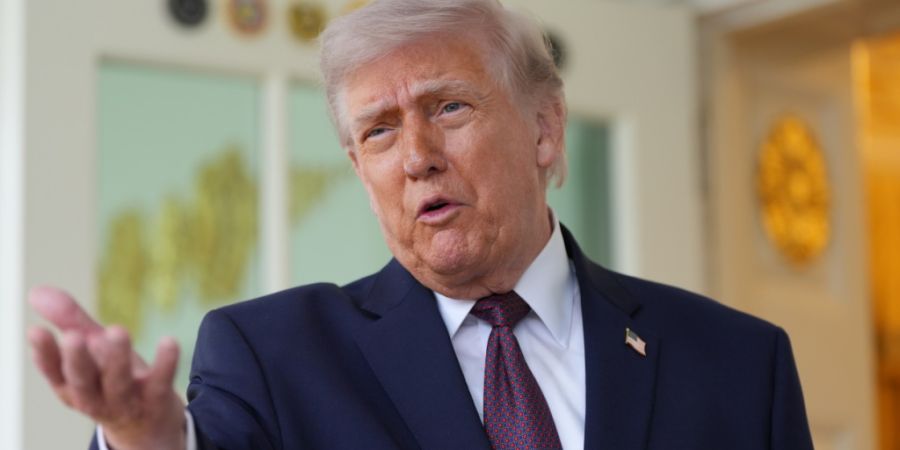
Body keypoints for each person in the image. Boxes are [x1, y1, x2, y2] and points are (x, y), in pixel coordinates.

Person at [27, 0, 815, 449]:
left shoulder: (740, 362)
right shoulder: (273, 356)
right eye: (378, 131)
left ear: (544, 128)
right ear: (360, 173)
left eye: (448, 107)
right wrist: (145, 438)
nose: (416, 157)